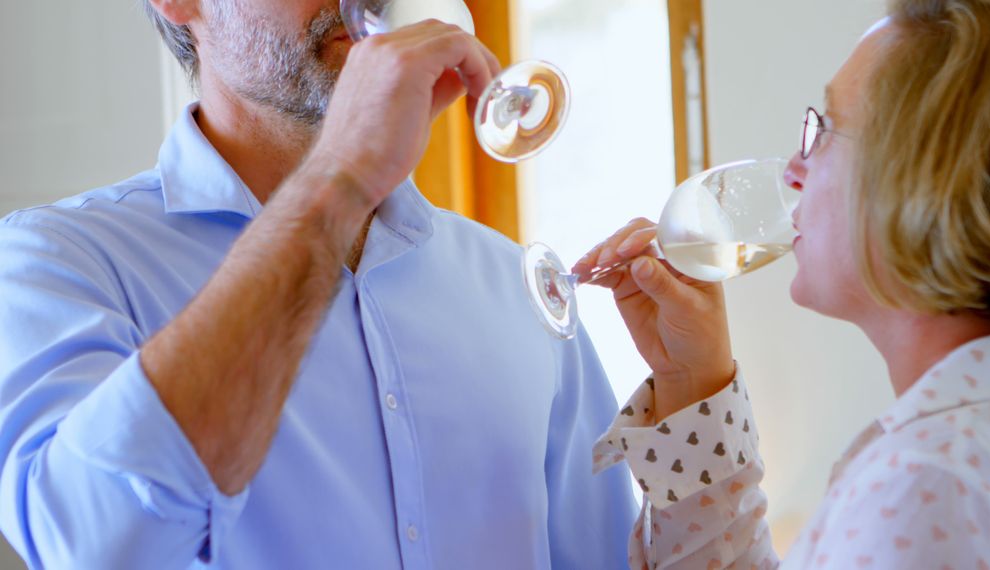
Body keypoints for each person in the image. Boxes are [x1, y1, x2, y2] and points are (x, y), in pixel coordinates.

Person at [0, 1, 637, 568]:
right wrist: (337, 178)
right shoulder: (56, 263)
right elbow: (92, 546)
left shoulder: (518, 286)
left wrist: (700, 392)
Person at [578, 0, 990, 568]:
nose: (793, 166)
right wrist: (693, 382)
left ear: (928, 178)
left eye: (827, 128)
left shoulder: (931, 485)